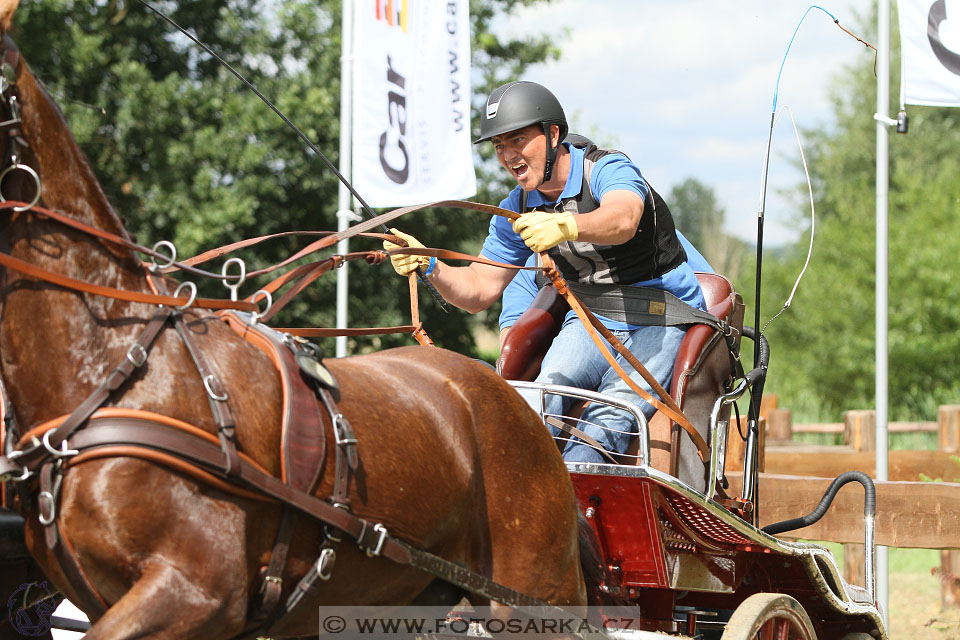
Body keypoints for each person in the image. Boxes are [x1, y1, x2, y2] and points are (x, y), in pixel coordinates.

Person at [384, 80, 706, 463]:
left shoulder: (605, 168)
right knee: (534, 409)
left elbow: (624, 217)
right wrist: (430, 265)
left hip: (661, 317)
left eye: (518, 139)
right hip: (591, 320)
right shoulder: (516, 208)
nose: (508, 155)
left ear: (553, 134)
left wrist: (569, 225)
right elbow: (479, 289)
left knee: (608, 425)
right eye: (499, 145)